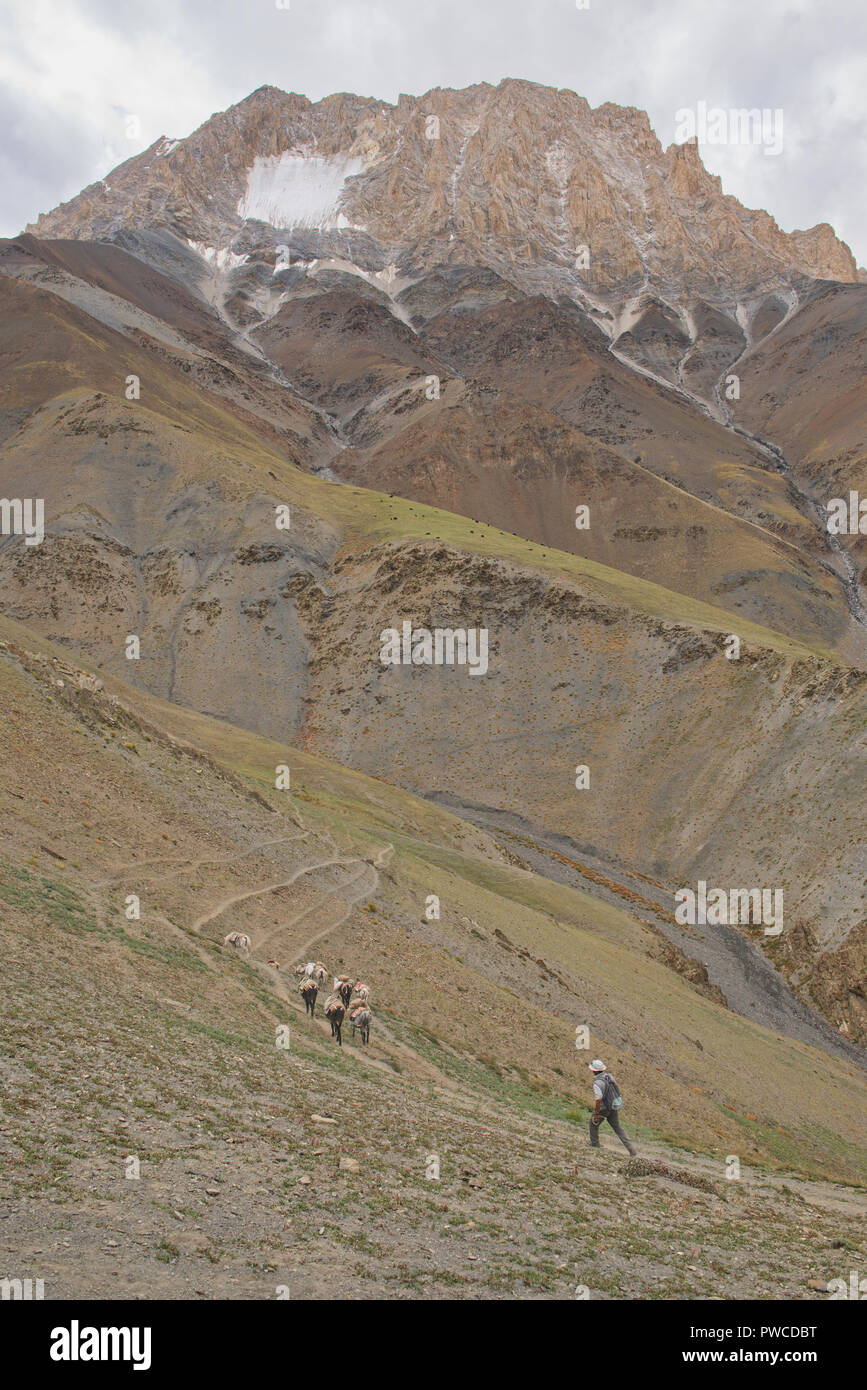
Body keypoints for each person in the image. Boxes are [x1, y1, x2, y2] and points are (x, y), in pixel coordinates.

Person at [588, 1059, 636, 1155]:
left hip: (604, 1108)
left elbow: (598, 1100)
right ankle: (632, 1150)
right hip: (613, 1106)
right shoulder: (609, 1076)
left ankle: (595, 1144)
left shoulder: (597, 1083)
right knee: (618, 1128)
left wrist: (597, 1114)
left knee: (593, 1124)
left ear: (595, 1071)